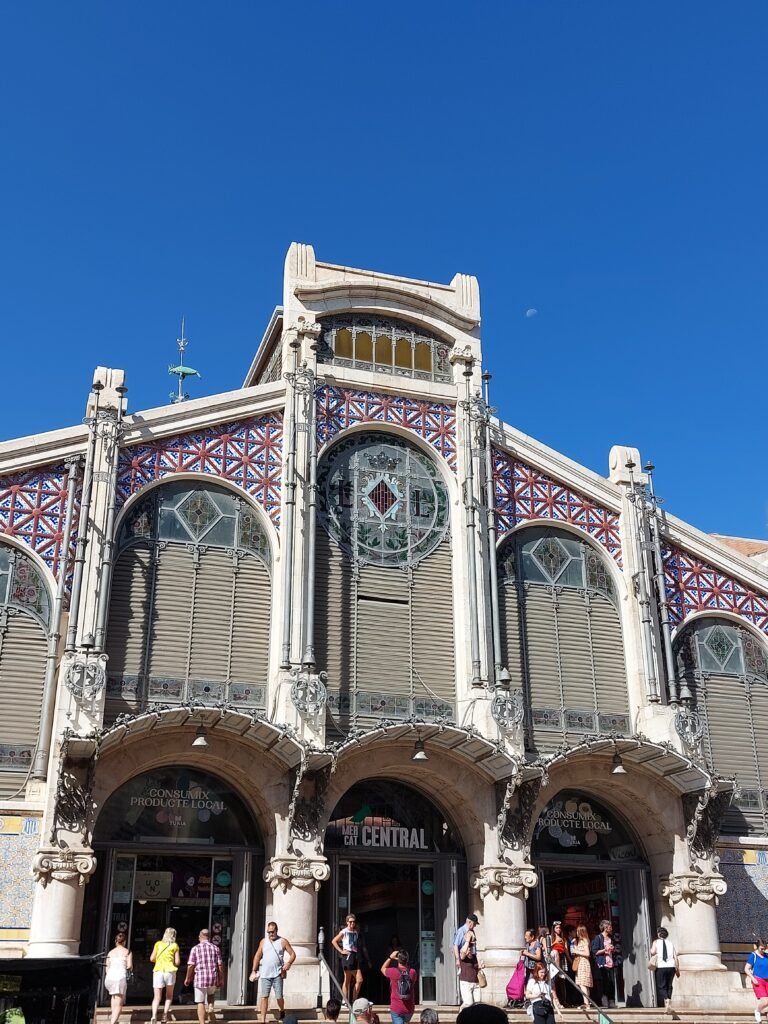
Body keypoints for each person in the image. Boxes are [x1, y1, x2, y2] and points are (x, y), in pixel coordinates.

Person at [250, 921, 297, 1024]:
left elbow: (293, 954)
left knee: (279, 996)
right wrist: (254, 970)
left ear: (276, 930)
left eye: (272, 931)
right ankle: (262, 1018)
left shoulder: (283, 941)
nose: (270, 934)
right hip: (265, 974)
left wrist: (288, 963)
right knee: (264, 996)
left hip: (278, 974)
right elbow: (257, 956)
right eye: (269, 932)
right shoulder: (263, 942)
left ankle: (281, 1010)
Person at [184, 928, 223, 1024]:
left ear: (199, 937)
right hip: (212, 977)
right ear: (209, 937)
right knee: (211, 994)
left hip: (200, 978)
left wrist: (188, 978)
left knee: (200, 1002)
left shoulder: (195, 949)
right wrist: (221, 978)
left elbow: (191, 965)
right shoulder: (215, 948)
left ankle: (202, 1022)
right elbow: (220, 965)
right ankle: (210, 1007)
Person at [332, 914, 370, 1005]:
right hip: (348, 956)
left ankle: (354, 1000)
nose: (352, 923)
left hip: (355, 956)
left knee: (359, 980)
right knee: (347, 979)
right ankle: (345, 1001)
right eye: (350, 921)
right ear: (347, 922)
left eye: (354, 921)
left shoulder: (356, 932)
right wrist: (341, 951)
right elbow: (334, 941)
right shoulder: (344, 931)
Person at [150, 926, 181, 1024]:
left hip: (158, 971)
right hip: (170, 972)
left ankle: (154, 1015)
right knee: (169, 996)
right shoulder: (175, 946)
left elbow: (151, 958)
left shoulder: (158, 944)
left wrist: (158, 960)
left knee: (157, 997)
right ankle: (164, 1015)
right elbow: (177, 962)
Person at [381, 949, 418, 1024]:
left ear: (398, 959)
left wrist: (390, 957)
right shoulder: (413, 972)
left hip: (396, 1007)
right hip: (409, 1008)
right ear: (407, 959)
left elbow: (382, 969)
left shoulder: (393, 971)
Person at [104, 932, 133, 1024]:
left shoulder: (110, 952)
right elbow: (129, 966)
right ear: (124, 942)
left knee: (113, 997)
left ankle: (114, 1018)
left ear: (115, 941)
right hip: (120, 977)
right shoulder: (127, 952)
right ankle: (113, 1021)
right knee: (119, 1003)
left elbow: (107, 967)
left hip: (110, 977)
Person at [650, 926, 679, 1011]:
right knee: (669, 985)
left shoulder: (656, 942)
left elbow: (652, 952)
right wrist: (677, 969)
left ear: (659, 934)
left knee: (661, 985)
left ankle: (666, 999)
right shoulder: (670, 943)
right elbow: (675, 956)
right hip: (671, 966)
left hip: (661, 966)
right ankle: (669, 1000)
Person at [591, 919, 615, 1007]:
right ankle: (604, 1000)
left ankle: (611, 1000)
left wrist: (612, 949)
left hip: (611, 962)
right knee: (605, 982)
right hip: (603, 963)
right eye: (609, 927)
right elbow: (595, 952)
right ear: (605, 928)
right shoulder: (598, 938)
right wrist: (605, 949)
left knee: (612, 982)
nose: (611, 928)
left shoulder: (610, 938)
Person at [459, 921, 483, 1007]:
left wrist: (480, 966)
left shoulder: (473, 952)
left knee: (478, 1005)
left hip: (475, 982)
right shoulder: (463, 949)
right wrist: (467, 941)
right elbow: (462, 955)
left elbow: (476, 965)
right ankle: (461, 1017)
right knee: (468, 1004)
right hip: (466, 981)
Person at [745, 937, 768, 1024]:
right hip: (758, 980)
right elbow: (746, 969)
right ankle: (757, 1011)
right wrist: (752, 978)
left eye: (765, 948)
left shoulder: (766, 956)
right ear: (757, 947)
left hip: (767, 980)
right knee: (765, 1000)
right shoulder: (753, 956)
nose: (763, 950)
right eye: (762, 948)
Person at [571, 925, 592, 1009]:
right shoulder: (579, 941)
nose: (576, 933)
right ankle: (586, 1001)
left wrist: (577, 951)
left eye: (577, 931)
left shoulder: (584, 941)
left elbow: (587, 953)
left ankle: (586, 1003)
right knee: (582, 983)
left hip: (583, 962)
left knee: (583, 983)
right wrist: (575, 944)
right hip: (579, 963)